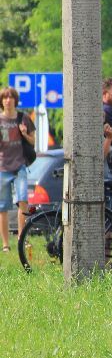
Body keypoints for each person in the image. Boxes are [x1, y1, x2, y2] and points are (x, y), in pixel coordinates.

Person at [0, 87, 35, 251]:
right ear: (1, 101)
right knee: (3, 207)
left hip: (20, 165)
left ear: (15, 100)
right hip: (2, 167)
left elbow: (33, 142)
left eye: (10, 97)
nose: (8, 100)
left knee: (23, 201)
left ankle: (22, 237)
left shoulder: (23, 118)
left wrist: (24, 133)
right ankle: (6, 245)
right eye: (5, 97)